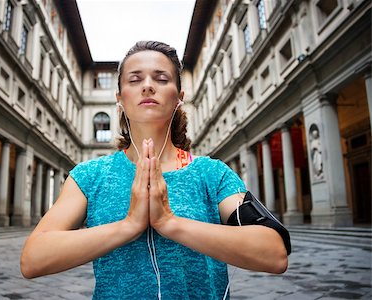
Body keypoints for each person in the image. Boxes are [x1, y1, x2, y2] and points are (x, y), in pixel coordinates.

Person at [20, 41, 289, 299]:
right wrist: (129, 225)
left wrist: (169, 223)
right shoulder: (89, 177)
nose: (148, 86)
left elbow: (274, 252)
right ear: (119, 98)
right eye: (135, 79)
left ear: (179, 97)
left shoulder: (212, 174)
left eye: (161, 78)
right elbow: (33, 259)